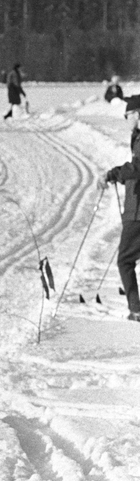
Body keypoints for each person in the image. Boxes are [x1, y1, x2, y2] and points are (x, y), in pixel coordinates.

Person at [103, 95, 140, 321]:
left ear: (137, 114)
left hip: (138, 212)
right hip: (135, 209)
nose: (126, 119)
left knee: (125, 260)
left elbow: (137, 168)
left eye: (128, 115)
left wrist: (115, 173)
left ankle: (136, 310)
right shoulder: (136, 137)